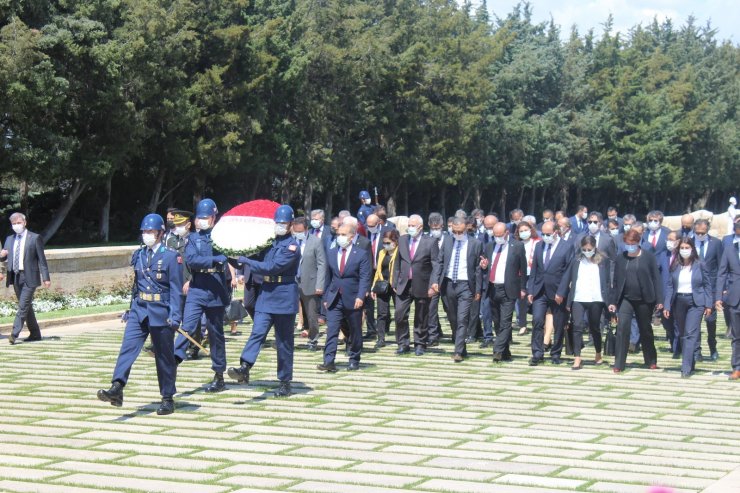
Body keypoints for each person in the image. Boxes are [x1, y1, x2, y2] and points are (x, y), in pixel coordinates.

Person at [97, 214, 182, 415]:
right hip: (139, 309)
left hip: (161, 311)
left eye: (151, 232)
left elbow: (176, 289)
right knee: (127, 348)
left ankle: (167, 397)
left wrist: (176, 315)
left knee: (164, 357)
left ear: (161, 233)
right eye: (144, 232)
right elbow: (136, 286)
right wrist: (130, 308)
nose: (147, 235)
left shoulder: (171, 256)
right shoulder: (139, 255)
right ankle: (117, 387)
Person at [227, 205, 301, 397]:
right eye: (277, 223)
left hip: (284, 296)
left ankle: (285, 381)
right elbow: (249, 257)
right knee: (257, 332)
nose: (279, 226)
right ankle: (245, 366)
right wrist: (230, 253)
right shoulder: (268, 243)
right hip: (267, 294)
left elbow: (271, 267)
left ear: (291, 225)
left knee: (284, 342)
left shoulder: (292, 247)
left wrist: (246, 261)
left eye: (283, 223)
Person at [173, 198, 231, 393]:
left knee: (216, 334)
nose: (202, 221)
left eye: (206, 217)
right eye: (200, 217)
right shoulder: (193, 239)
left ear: (214, 217)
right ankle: (174, 358)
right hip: (198, 287)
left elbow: (232, 257)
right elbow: (192, 260)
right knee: (187, 326)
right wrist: (215, 260)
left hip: (216, 288)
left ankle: (219, 374)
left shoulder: (223, 238)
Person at [317, 220, 372, 372]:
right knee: (332, 330)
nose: (339, 237)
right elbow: (328, 277)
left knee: (355, 330)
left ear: (352, 236)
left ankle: (354, 358)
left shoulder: (360, 254)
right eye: (338, 234)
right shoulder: (332, 252)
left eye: (343, 234)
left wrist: (361, 296)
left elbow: (365, 277)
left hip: (353, 298)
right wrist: (326, 298)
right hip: (335, 298)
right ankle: (329, 361)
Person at [609, 229, 663, 373]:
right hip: (626, 298)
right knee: (622, 329)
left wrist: (660, 299)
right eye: (627, 243)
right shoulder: (621, 258)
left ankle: (651, 359)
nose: (630, 246)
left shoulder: (648, 257)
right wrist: (613, 301)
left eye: (632, 243)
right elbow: (615, 280)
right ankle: (619, 363)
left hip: (644, 299)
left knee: (645, 329)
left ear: (638, 242)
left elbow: (656, 278)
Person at [432, 217, 483, 362]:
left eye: (460, 231)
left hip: (466, 285)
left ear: (466, 228)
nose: (457, 234)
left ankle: (458, 351)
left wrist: (478, 289)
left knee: (462, 318)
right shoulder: (448, 240)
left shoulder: (475, 243)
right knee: (453, 318)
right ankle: (461, 346)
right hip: (448, 284)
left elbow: (478, 269)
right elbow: (440, 262)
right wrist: (435, 281)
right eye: (454, 231)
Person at [663, 238, 712, 378]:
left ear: (692, 249)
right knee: (683, 333)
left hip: (695, 302)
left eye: (687, 247)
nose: (684, 250)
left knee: (691, 333)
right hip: (679, 301)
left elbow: (708, 285)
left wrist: (709, 304)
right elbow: (670, 286)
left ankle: (685, 367)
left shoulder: (700, 264)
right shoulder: (675, 265)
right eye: (682, 247)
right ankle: (690, 362)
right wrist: (667, 305)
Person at [0, 212, 51, 344]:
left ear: (24, 223)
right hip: (16, 277)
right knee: (26, 306)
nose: (16, 225)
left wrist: (46, 277)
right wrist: (2, 254)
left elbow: (42, 259)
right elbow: (3, 257)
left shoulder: (34, 238)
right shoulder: (9, 239)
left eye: (18, 223)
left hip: (30, 276)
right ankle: (35, 333)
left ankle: (14, 334)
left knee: (23, 306)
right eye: (14, 224)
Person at [527, 221, 573, 365]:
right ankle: (537, 353)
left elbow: (568, 272)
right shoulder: (539, 245)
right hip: (540, 291)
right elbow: (534, 269)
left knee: (559, 324)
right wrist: (531, 290)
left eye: (548, 234)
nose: (545, 236)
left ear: (556, 232)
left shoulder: (566, 247)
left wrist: (562, 292)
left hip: (557, 292)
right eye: (543, 234)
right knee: (537, 321)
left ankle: (555, 353)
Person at [480, 222, 526, 362]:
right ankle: (505, 351)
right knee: (497, 322)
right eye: (495, 235)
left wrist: (523, 288)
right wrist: (484, 267)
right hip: (493, 288)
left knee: (506, 322)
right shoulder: (489, 246)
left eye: (500, 235)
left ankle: (497, 350)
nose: (498, 238)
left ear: (507, 232)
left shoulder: (517, 246)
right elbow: (486, 267)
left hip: (509, 289)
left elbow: (523, 269)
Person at [393, 214, 439, 355]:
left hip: (422, 283)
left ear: (420, 226)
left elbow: (436, 264)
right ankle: (403, 343)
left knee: (421, 315)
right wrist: (395, 281)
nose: (410, 228)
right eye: (409, 226)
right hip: (404, 284)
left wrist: (433, 284)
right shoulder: (402, 240)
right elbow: (397, 262)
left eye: (413, 226)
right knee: (399, 314)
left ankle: (420, 343)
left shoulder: (430, 242)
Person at [564, 236, 611, 370]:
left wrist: (610, 300)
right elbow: (568, 277)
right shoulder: (577, 260)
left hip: (596, 298)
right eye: (584, 249)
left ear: (595, 247)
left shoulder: (602, 261)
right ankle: (577, 357)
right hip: (579, 297)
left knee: (594, 327)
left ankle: (598, 353)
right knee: (577, 326)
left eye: (589, 249)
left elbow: (608, 280)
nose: (586, 251)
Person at [692, 219, 724, 362]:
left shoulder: (716, 243)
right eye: (697, 233)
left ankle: (712, 347)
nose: (699, 235)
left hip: (711, 287)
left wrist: (721, 289)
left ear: (708, 230)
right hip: (694, 288)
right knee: (695, 321)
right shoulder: (689, 243)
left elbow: (721, 267)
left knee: (710, 320)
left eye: (702, 233)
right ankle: (696, 351)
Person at [294, 216, 326, 351]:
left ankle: (313, 339)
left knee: (311, 314)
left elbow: (321, 264)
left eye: (300, 231)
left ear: (307, 229)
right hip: (293, 282)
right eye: (295, 231)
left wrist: (320, 284)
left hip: (310, 282)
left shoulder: (315, 242)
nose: (297, 233)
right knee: (288, 313)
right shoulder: (291, 241)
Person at [716, 220, 740, 379]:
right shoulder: (730, 249)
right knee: (737, 335)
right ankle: (737, 367)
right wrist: (718, 296)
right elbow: (722, 273)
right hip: (734, 297)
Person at [363, 213, 392, 341]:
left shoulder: (387, 233)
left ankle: (385, 325)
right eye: (368, 225)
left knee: (383, 302)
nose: (370, 228)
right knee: (368, 301)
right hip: (369, 271)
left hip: (384, 271)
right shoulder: (365, 233)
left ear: (379, 223)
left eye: (372, 225)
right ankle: (371, 329)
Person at [370, 229, 400, 348]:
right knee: (381, 313)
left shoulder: (399, 252)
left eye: (388, 242)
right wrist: (374, 287)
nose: (386, 245)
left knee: (399, 313)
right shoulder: (382, 252)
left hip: (395, 285)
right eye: (384, 242)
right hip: (382, 285)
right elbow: (378, 270)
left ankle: (400, 338)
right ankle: (381, 338)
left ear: (395, 241)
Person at [516, 220, 540, 336]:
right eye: (521, 231)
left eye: (526, 230)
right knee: (522, 299)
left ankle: (537, 322)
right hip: (521, 274)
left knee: (534, 298)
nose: (524, 233)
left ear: (531, 230)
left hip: (534, 274)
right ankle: (522, 325)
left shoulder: (537, 242)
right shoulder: (516, 243)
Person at [426, 212, 447, 346]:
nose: (435, 230)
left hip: (446, 279)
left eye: (437, 227)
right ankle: (433, 335)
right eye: (433, 228)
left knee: (449, 309)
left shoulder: (450, 239)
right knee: (431, 308)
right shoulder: (426, 240)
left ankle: (457, 333)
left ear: (442, 226)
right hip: (431, 280)